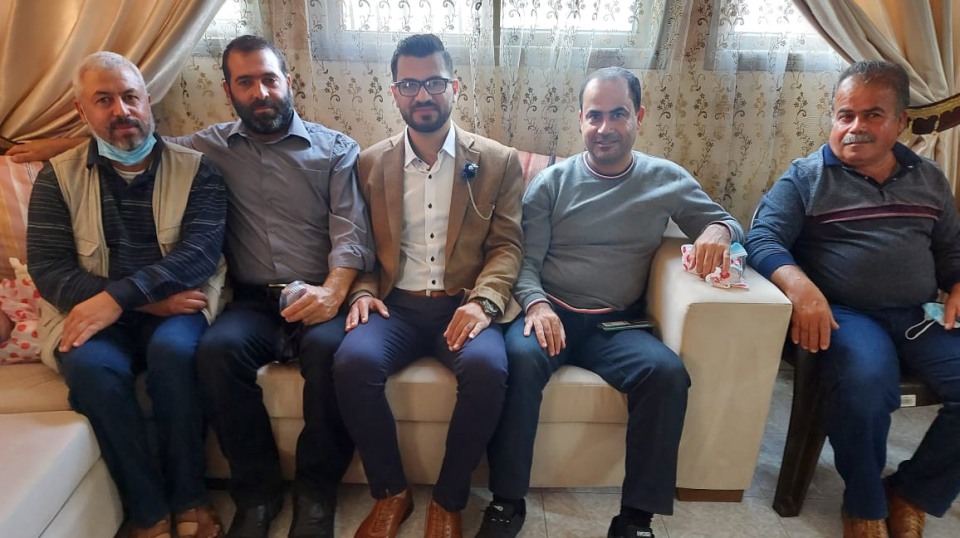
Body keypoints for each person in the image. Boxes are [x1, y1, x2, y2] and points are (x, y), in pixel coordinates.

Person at [12, 35, 376, 538]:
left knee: (330, 353)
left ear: (287, 82)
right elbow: (129, 142)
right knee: (216, 352)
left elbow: (351, 233)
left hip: (318, 291)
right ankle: (257, 492)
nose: (260, 92)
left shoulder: (335, 149)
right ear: (228, 91)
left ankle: (316, 493)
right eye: (245, 82)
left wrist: (333, 293)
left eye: (269, 79)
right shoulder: (206, 148)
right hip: (251, 298)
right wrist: (56, 148)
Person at [477, 66, 743, 538]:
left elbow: (727, 222)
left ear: (638, 117)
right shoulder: (552, 184)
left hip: (616, 326)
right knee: (517, 360)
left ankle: (635, 519)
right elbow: (525, 261)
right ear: (580, 120)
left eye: (617, 114)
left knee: (666, 374)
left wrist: (720, 230)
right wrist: (536, 305)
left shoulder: (667, 179)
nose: (604, 128)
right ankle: (507, 501)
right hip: (550, 314)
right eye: (594, 116)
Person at [746, 60, 960, 538]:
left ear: (900, 122)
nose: (855, 127)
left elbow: (951, 250)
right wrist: (801, 288)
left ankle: (911, 493)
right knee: (866, 385)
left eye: (872, 115)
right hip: (844, 315)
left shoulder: (929, 178)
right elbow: (761, 238)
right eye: (845, 115)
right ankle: (864, 504)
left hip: (916, 315)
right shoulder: (807, 177)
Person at [26, 51, 227, 538]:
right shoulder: (57, 176)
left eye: (130, 97)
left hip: (175, 309)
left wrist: (120, 298)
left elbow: (199, 256)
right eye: (104, 100)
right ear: (82, 111)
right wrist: (135, 300)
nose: (122, 110)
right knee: (91, 370)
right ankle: (148, 510)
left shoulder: (198, 170)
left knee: (174, 355)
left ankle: (190, 498)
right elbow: (49, 269)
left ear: (147, 100)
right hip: (98, 311)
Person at [333, 34, 523, 538]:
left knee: (487, 368)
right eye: (410, 85)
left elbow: (507, 246)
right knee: (352, 363)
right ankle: (391, 493)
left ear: (454, 87)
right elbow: (362, 246)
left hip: (462, 305)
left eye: (435, 83)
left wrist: (484, 302)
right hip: (395, 306)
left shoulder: (498, 161)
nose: (423, 95)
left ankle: (448, 499)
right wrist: (362, 293)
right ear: (394, 93)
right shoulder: (370, 164)